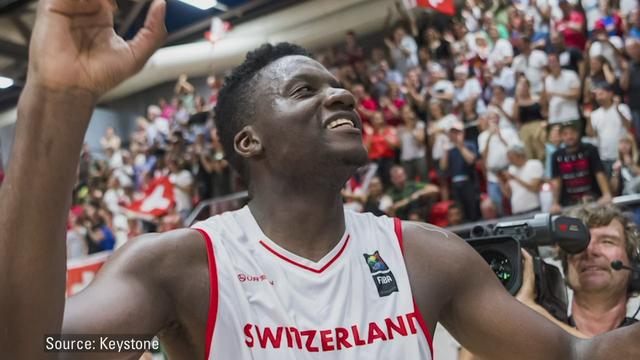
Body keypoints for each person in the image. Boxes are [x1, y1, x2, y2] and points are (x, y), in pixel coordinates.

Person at [5, 2, 640, 359]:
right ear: (248, 141)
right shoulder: (182, 266)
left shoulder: (426, 256)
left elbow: (572, 359)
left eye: (339, 86)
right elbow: (38, 350)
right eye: (305, 90)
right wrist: (55, 99)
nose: (341, 96)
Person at [550, 122, 612, 213]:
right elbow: (556, 180)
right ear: (561, 136)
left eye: (572, 133)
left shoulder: (590, 149)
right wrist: (555, 203)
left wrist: (606, 194)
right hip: (568, 203)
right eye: (565, 134)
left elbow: (599, 172)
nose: (569, 137)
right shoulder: (556, 155)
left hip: (593, 198)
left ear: (578, 133)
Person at [586, 83, 632, 177]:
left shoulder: (622, 108)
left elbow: (628, 126)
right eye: (597, 95)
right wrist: (588, 118)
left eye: (601, 94)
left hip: (622, 155)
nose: (599, 97)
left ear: (610, 94)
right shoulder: (594, 114)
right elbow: (591, 134)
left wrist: (618, 110)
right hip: (604, 157)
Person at [440, 121, 481, 222]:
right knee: (460, 213)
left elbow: (471, 160)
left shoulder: (469, 144)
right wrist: (445, 150)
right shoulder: (449, 149)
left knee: (472, 211)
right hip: (455, 185)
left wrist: (460, 145)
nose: (454, 135)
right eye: (452, 133)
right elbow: (443, 167)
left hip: (468, 182)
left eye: (457, 133)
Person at [500, 144, 544, 214]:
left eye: (511, 158)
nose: (509, 161)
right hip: (517, 211)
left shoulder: (534, 164)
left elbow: (534, 188)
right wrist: (501, 182)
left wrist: (514, 178)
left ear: (519, 156)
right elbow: (508, 195)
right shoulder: (511, 169)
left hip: (533, 208)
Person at [544, 52, 581, 125]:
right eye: (550, 62)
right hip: (554, 119)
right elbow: (547, 100)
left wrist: (555, 93)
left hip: (570, 116)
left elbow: (576, 94)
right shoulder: (547, 79)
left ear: (559, 62)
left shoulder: (571, 74)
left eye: (554, 61)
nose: (552, 64)